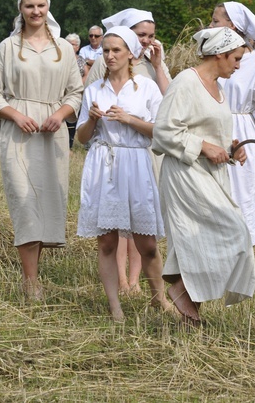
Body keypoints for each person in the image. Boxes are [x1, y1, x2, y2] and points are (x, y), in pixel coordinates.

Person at [0, 0, 83, 302]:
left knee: (47, 200)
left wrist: (61, 113)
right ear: (20, 9)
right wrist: (15, 115)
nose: (35, 11)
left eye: (40, 5)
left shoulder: (64, 49)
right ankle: (30, 282)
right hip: (19, 135)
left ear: (48, 7)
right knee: (25, 201)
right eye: (29, 6)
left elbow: (75, 91)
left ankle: (36, 272)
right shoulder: (7, 48)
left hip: (52, 134)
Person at [152, 27, 254, 325]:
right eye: (235, 58)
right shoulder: (186, 81)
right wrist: (203, 147)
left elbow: (211, 133)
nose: (238, 64)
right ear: (220, 54)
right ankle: (183, 292)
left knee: (200, 241)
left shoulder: (219, 87)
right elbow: (163, 131)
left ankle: (189, 312)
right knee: (235, 232)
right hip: (185, 174)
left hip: (211, 174)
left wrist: (231, 148)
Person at [76, 26, 174, 321]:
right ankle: (115, 306)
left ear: (130, 53)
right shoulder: (94, 89)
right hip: (103, 163)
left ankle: (159, 298)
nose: (110, 56)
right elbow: (81, 138)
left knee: (147, 242)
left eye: (116, 50)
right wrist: (92, 120)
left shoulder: (145, 87)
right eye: (106, 50)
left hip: (135, 163)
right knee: (106, 241)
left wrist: (129, 119)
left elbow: (162, 130)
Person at [209, 1, 255, 245]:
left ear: (232, 25)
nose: (211, 25)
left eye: (215, 21)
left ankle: (242, 255)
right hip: (213, 128)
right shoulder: (212, 58)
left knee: (243, 193)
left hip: (243, 130)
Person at [64, 33, 86, 149]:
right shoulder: (59, 58)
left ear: (77, 47)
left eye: (73, 44)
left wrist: (78, 83)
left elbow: (86, 74)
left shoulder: (81, 60)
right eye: (68, 43)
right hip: (62, 93)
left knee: (72, 118)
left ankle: (70, 144)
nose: (71, 46)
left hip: (76, 93)